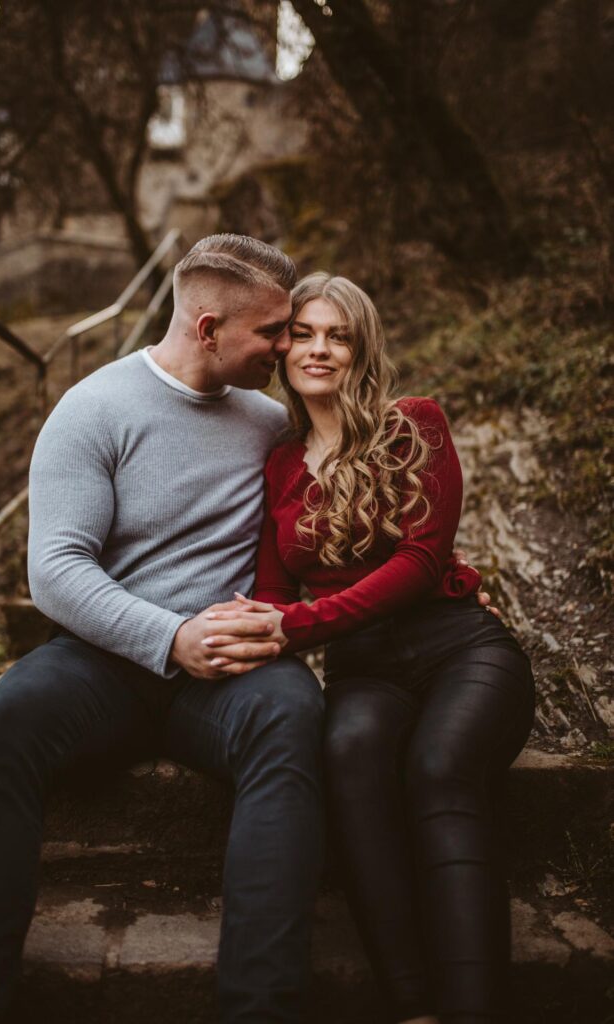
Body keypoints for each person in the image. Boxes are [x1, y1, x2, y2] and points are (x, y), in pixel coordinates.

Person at [0, 235, 328, 1024]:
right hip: (102, 662)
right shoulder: (93, 409)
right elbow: (55, 571)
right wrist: (170, 637)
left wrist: (446, 582)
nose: (287, 347)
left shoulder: (271, 422)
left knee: (293, 717)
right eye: (272, 331)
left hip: (227, 676)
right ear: (208, 328)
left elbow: (345, 517)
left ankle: (261, 1007)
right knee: (7, 720)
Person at [206, 273, 535, 1024]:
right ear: (284, 349)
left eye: (339, 336)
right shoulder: (281, 464)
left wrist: (297, 626)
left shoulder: (414, 424)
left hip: (460, 648)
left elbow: (419, 562)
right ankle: (412, 1007)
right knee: (349, 753)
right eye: (304, 334)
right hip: (364, 671)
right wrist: (239, 631)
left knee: (438, 766)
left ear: (362, 349)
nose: (319, 349)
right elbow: (274, 593)